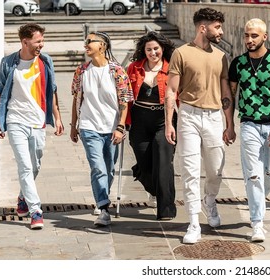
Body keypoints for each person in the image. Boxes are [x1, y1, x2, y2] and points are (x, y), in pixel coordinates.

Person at [164, 7, 236, 244]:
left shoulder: (221, 56)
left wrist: (229, 123)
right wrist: (169, 124)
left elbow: (226, 91)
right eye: (217, 27)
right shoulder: (181, 53)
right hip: (189, 116)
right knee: (190, 170)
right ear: (203, 28)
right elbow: (171, 91)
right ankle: (194, 221)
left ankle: (211, 200)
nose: (221, 31)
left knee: (216, 168)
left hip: (215, 116)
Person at [0, 23, 64, 230]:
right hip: (15, 120)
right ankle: (36, 211)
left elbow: (52, 90)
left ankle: (23, 197)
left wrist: (57, 118)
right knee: (24, 166)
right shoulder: (8, 63)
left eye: (42, 41)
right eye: (38, 41)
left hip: (38, 121)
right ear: (25, 42)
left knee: (35, 164)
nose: (41, 45)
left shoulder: (45, 61)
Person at [228, 18, 270, 242]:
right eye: (246, 35)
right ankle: (257, 223)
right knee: (253, 175)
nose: (249, 40)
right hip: (248, 124)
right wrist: (230, 125)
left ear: (264, 37)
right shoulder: (238, 63)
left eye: (254, 35)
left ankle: (258, 202)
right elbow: (231, 97)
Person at [69, 31, 132, 226]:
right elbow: (76, 99)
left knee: (109, 169)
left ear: (102, 46)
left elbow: (125, 101)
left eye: (90, 42)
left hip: (112, 127)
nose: (85, 45)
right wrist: (74, 125)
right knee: (98, 167)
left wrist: (120, 127)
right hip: (89, 126)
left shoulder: (117, 71)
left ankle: (101, 197)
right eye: (85, 41)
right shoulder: (81, 71)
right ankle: (104, 208)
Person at [126, 31, 177, 220]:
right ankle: (153, 187)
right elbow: (124, 95)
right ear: (143, 50)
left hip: (163, 120)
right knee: (145, 164)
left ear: (163, 49)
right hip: (139, 119)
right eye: (149, 49)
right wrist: (122, 122)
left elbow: (178, 96)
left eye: (156, 48)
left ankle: (166, 209)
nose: (153, 52)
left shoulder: (171, 69)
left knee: (163, 163)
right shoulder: (133, 68)